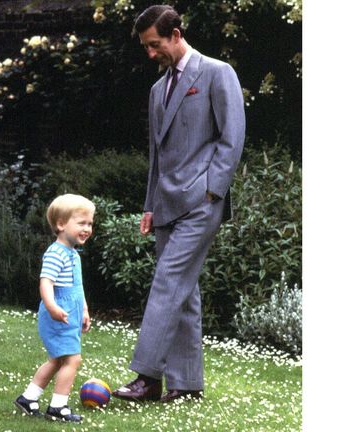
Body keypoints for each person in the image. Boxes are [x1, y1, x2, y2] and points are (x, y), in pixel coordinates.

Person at [112, 5, 245, 403]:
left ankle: (148, 377)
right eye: (146, 47)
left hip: (201, 202)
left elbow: (232, 136)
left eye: (155, 45)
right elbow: (157, 155)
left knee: (168, 282)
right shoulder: (157, 90)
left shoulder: (218, 73)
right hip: (166, 205)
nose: (151, 53)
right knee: (183, 293)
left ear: (176, 34)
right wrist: (150, 205)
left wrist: (212, 190)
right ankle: (185, 385)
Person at [14, 194, 94, 423]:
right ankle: (58, 406)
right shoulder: (56, 253)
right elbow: (46, 283)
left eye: (89, 223)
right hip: (58, 314)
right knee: (72, 360)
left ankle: (28, 398)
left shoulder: (73, 254)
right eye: (81, 223)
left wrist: (85, 311)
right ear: (61, 224)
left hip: (70, 313)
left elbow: (77, 288)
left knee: (58, 360)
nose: (87, 228)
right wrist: (52, 307)